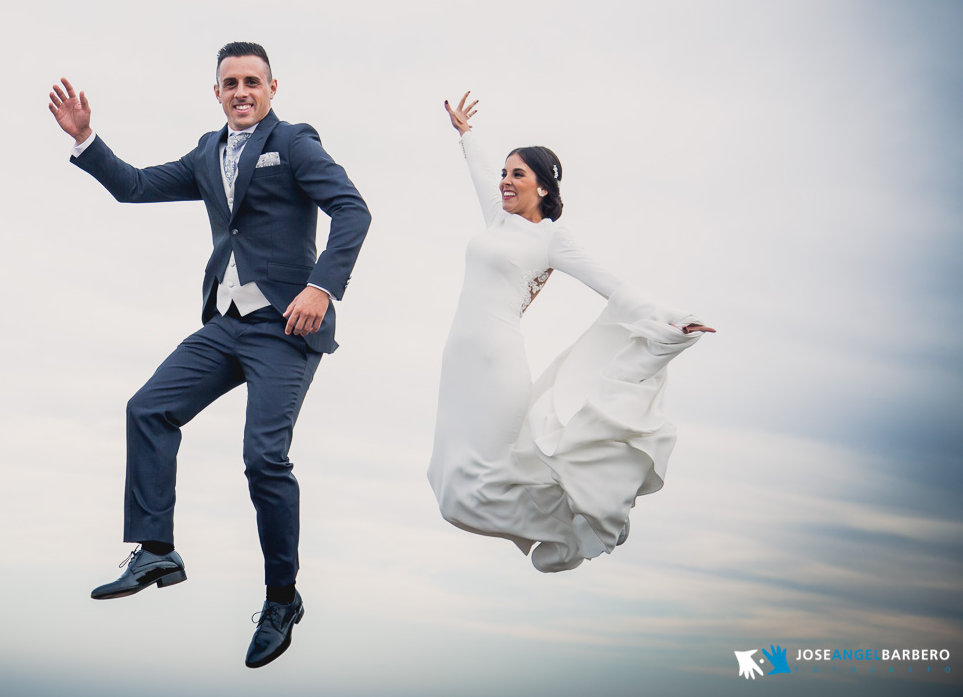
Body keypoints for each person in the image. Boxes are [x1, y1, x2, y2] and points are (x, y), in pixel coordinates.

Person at [48, 42, 370, 668]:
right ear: (217, 91)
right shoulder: (206, 152)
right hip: (226, 325)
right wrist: (87, 141)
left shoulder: (296, 143)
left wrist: (321, 287)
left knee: (263, 459)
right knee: (148, 409)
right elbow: (136, 186)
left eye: (252, 81)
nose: (241, 91)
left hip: (285, 325)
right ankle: (156, 549)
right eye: (230, 83)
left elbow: (352, 211)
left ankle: (282, 598)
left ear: (273, 87)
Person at [428, 92, 714, 572]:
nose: (504, 181)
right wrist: (466, 134)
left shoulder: (551, 239)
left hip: (498, 361)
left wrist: (672, 318)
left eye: (517, 174)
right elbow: (478, 170)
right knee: (451, 487)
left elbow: (613, 285)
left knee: (485, 480)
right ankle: (558, 521)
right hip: (458, 362)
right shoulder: (497, 218)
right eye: (504, 172)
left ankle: (570, 524)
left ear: (542, 187)